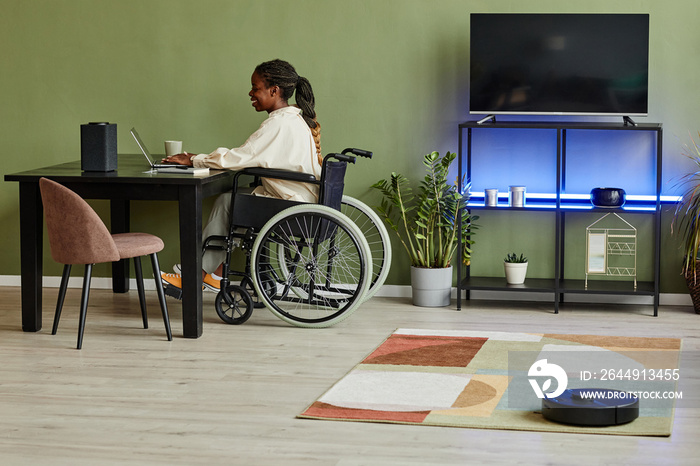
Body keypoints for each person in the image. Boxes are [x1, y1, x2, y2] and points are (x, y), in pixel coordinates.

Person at [160, 59, 322, 293]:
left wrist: (194, 159)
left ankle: (196, 274)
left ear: (274, 91)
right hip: (298, 200)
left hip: (291, 207)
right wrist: (201, 157)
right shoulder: (295, 119)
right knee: (242, 200)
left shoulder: (278, 125)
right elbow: (246, 156)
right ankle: (215, 273)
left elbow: (238, 158)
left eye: (256, 88)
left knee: (229, 202)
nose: (251, 92)